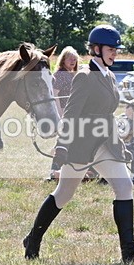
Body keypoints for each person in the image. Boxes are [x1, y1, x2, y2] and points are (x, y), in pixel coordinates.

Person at [23, 25, 134, 264]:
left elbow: (107, 114)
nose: (115, 53)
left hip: (106, 143)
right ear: (96, 49)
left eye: (116, 49)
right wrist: (63, 146)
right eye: (111, 49)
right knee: (63, 194)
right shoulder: (84, 77)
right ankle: (33, 239)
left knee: (125, 186)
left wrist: (119, 143)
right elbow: (71, 114)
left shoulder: (109, 76)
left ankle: (129, 250)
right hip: (82, 145)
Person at [48, 46, 80, 180]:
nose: (72, 61)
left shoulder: (74, 74)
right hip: (65, 113)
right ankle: (54, 171)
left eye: (74, 59)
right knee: (63, 142)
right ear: (63, 60)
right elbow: (55, 96)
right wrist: (61, 115)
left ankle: (68, 169)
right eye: (69, 58)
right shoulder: (60, 75)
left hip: (74, 113)